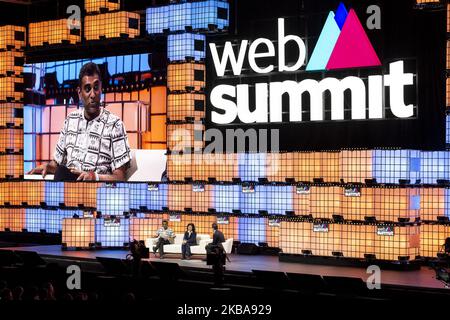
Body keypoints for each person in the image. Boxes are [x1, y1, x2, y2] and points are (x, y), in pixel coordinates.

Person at [27, 62, 132, 182]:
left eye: (96, 88)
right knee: (60, 172)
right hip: (70, 186)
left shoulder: (115, 124)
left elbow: (120, 177)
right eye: (87, 89)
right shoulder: (70, 120)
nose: (93, 94)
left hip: (98, 191)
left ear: (101, 89)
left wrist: (94, 177)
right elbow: (57, 163)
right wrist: (48, 166)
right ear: (79, 93)